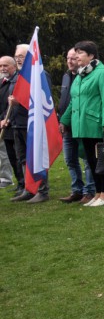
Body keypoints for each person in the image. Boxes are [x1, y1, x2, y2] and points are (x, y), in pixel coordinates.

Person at [59, 41, 104, 207]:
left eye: (80, 53)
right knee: (91, 161)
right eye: (75, 52)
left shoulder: (102, 72)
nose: (76, 56)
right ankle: (98, 193)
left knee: (101, 160)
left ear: (91, 55)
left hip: (96, 124)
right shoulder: (81, 74)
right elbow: (74, 101)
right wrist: (64, 119)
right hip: (81, 124)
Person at [7, 44, 52, 202]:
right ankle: (29, 188)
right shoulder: (17, 76)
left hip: (32, 123)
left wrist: (20, 101)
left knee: (36, 158)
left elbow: (42, 99)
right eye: (17, 56)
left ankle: (42, 190)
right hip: (17, 123)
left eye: (22, 56)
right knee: (23, 159)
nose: (18, 59)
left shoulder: (40, 74)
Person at [58, 49, 95, 203]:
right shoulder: (66, 76)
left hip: (82, 125)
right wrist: (63, 120)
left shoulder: (87, 75)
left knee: (87, 159)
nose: (70, 61)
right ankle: (77, 190)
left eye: (73, 58)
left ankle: (90, 191)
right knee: (70, 160)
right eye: (68, 58)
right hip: (68, 126)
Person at [0, 56, 21, 192]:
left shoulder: (17, 82)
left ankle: (20, 182)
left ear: (14, 66)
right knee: (10, 155)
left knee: (17, 156)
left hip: (13, 123)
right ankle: (20, 183)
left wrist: (4, 118)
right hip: (3, 123)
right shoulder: (2, 82)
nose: (3, 69)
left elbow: (13, 104)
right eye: (1, 66)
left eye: (5, 66)